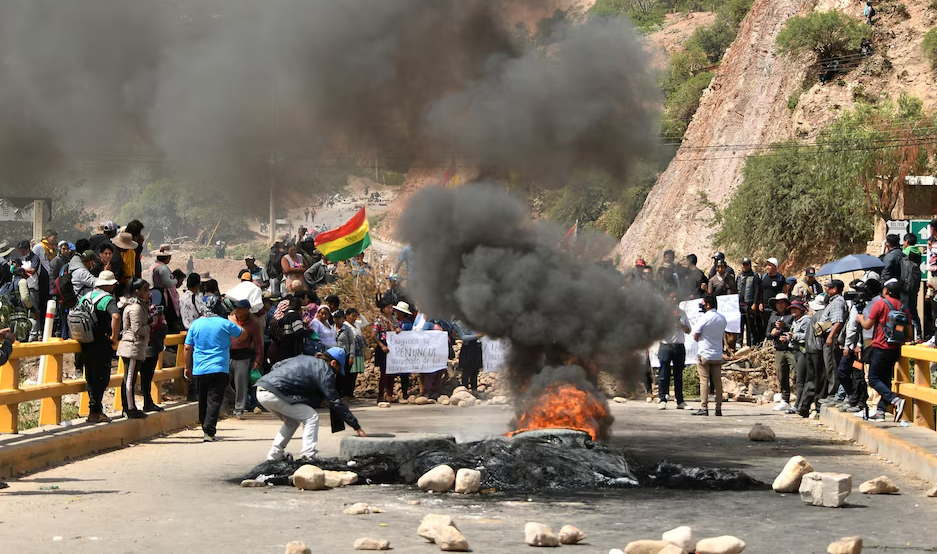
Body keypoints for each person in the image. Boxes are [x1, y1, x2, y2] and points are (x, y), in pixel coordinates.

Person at [256, 349, 367, 462]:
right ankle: (308, 455)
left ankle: (275, 455)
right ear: (333, 363)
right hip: (275, 393)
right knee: (311, 417)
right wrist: (356, 427)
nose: (336, 373)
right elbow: (335, 401)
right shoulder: (324, 370)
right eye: (337, 370)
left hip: (262, 389)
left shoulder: (304, 358)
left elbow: (276, 365)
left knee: (291, 421)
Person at [184, 309, 243, 441]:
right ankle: (209, 431)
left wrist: (187, 366)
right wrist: (234, 321)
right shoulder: (225, 323)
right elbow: (242, 335)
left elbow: (187, 347)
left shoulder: (195, 324)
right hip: (219, 368)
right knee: (214, 401)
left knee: (203, 400)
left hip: (199, 369)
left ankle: (205, 427)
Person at [80, 270, 122, 424]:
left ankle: (95, 411)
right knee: (102, 378)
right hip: (101, 343)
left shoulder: (85, 297)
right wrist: (114, 337)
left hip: (85, 342)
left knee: (90, 378)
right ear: (109, 286)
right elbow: (116, 316)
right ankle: (95, 412)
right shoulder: (108, 299)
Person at [117, 279, 152, 419]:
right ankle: (130, 408)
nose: (148, 293)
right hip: (132, 346)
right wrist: (150, 326)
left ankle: (128, 406)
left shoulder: (138, 306)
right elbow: (137, 329)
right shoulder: (136, 307)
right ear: (137, 291)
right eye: (145, 290)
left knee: (129, 378)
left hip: (135, 346)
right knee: (130, 379)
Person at [228, 299, 264, 419]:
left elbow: (258, 342)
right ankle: (233, 402)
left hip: (243, 356)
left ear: (247, 310)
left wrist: (258, 359)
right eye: (236, 308)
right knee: (222, 382)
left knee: (241, 385)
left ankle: (239, 409)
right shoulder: (230, 320)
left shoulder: (253, 324)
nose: (237, 310)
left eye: (240, 308)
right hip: (227, 355)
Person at [692, 295, 727, 416]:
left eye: (703, 303)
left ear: (708, 305)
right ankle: (718, 408)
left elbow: (695, 335)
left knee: (704, 381)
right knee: (718, 383)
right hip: (717, 354)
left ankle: (704, 407)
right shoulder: (722, 318)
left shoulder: (704, 318)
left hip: (704, 354)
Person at [658, 289, 689, 410]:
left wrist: (681, 325)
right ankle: (662, 399)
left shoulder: (682, 313)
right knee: (663, 375)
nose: (674, 300)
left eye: (676, 297)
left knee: (678, 374)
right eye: (672, 298)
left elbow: (689, 330)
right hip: (666, 346)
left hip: (679, 346)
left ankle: (680, 401)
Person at [798, 294, 828, 418]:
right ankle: (818, 405)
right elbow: (821, 332)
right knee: (820, 379)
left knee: (810, 379)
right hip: (817, 350)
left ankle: (804, 406)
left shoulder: (813, 316)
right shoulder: (822, 316)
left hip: (810, 349)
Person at [818, 280, 847, 405]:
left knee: (832, 366)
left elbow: (838, 321)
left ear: (835, 289)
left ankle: (834, 394)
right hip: (828, 336)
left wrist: (830, 337)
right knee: (829, 366)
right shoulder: (833, 301)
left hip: (832, 338)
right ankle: (832, 393)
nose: (826, 289)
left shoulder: (837, 302)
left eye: (828, 288)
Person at [766, 293, 795, 411]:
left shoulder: (791, 316)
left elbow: (795, 329)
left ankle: (799, 398)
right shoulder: (773, 317)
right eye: (778, 303)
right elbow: (767, 334)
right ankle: (785, 399)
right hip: (779, 349)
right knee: (781, 375)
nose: (780, 305)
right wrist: (772, 334)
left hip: (791, 349)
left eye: (782, 302)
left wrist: (784, 327)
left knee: (795, 373)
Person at [268, 294, 314, 365]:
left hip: (279, 349)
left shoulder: (285, 316)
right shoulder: (295, 315)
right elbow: (299, 332)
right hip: (290, 350)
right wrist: (310, 331)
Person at [374, 299, 403, 403]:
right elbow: (373, 336)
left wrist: (398, 330)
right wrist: (381, 346)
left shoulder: (394, 319)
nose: (390, 310)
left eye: (391, 308)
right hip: (384, 347)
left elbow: (397, 329)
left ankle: (389, 395)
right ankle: (381, 395)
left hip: (393, 347)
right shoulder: (379, 320)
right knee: (384, 372)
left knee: (392, 372)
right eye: (388, 308)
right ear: (383, 309)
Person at [150, 244, 181, 334]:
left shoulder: (154, 265)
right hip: (163, 293)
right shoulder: (163, 268)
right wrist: (176, 281)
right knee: (167, 312)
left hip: (156, 292)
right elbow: (167, 282)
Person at [788, 300, 811, 415]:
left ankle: (799, 405)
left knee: (801, 379)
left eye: (795, 308)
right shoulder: (795, 321)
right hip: (795, 351)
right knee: (798, 378)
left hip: (802, 351)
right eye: (792, 308)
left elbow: (808, 335)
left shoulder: (806, 320)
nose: (793, 310)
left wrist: (794, 336)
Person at [342, 308, 367, 399]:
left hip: (359, 350)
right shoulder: (345, 325)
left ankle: (351, 393)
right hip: (351, 350)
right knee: (349, 373)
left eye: (355, 316)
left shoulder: (356, 323)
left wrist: (360, 315)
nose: (354, 318)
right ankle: (346, 393)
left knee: (355, 373)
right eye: (352, 316)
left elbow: (365, 323)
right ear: (347, 316)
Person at [737, 257, 761, 347]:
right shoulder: (739, 276)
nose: (745, 266)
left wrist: (755, 303)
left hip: (749, 304)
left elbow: (757, 290)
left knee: (751, 325)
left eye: (746, 264)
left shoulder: (754, 276)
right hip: (740, 303)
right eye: (743, 264)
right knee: (740, 324)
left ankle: (752, 344)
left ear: (750, 265)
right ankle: (739, 343)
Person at [453, 319, 483, 392]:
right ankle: (464, 390)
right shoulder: (458, 323)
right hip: (468, 348)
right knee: (466, 371)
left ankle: (474, 390)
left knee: (475, 371)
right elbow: (463, 338)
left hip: (477, 347)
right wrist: (477, 336)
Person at [759, 258, 785, 338]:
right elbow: (760, 291)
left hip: (775, 308)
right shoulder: (763, 277)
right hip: (765, 307)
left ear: (775, 267)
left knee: (774, 325)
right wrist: (760, 303)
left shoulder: (780, 278)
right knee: (764, 326)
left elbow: (784, 292)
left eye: (769, 265)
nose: (767, 267)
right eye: (767, 265)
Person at [333, 309, 355, 400]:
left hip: (344, 355)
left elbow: (352, 342)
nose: (337, 320)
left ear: (343, 318)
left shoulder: (347, 329)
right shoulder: (331, 327)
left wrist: (351, 356)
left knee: (345, 376)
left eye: (339, 318)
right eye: (336, 318)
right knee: (335, 376)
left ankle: (345, 396)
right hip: (333, 356)